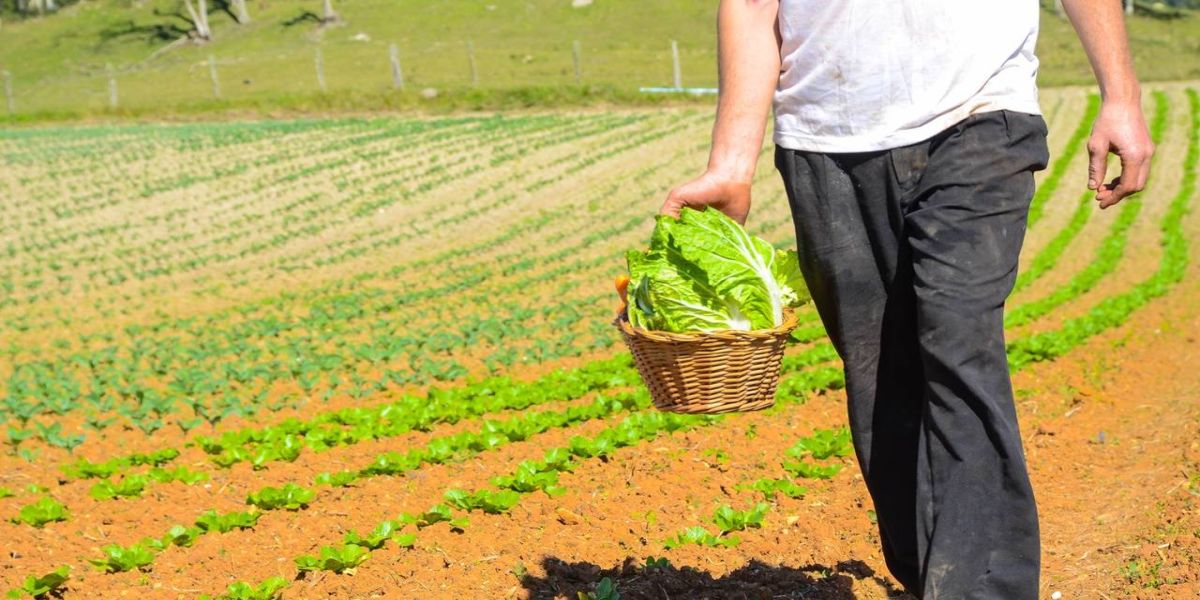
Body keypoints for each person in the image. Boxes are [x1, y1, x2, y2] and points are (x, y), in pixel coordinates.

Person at [660, 1, 1154, 598]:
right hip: (827, 142)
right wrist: (731, 164)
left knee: (958, 339)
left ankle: (985, 591)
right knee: (879, 378)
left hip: (981, 116)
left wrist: (1121, 95)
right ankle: (934, 580)